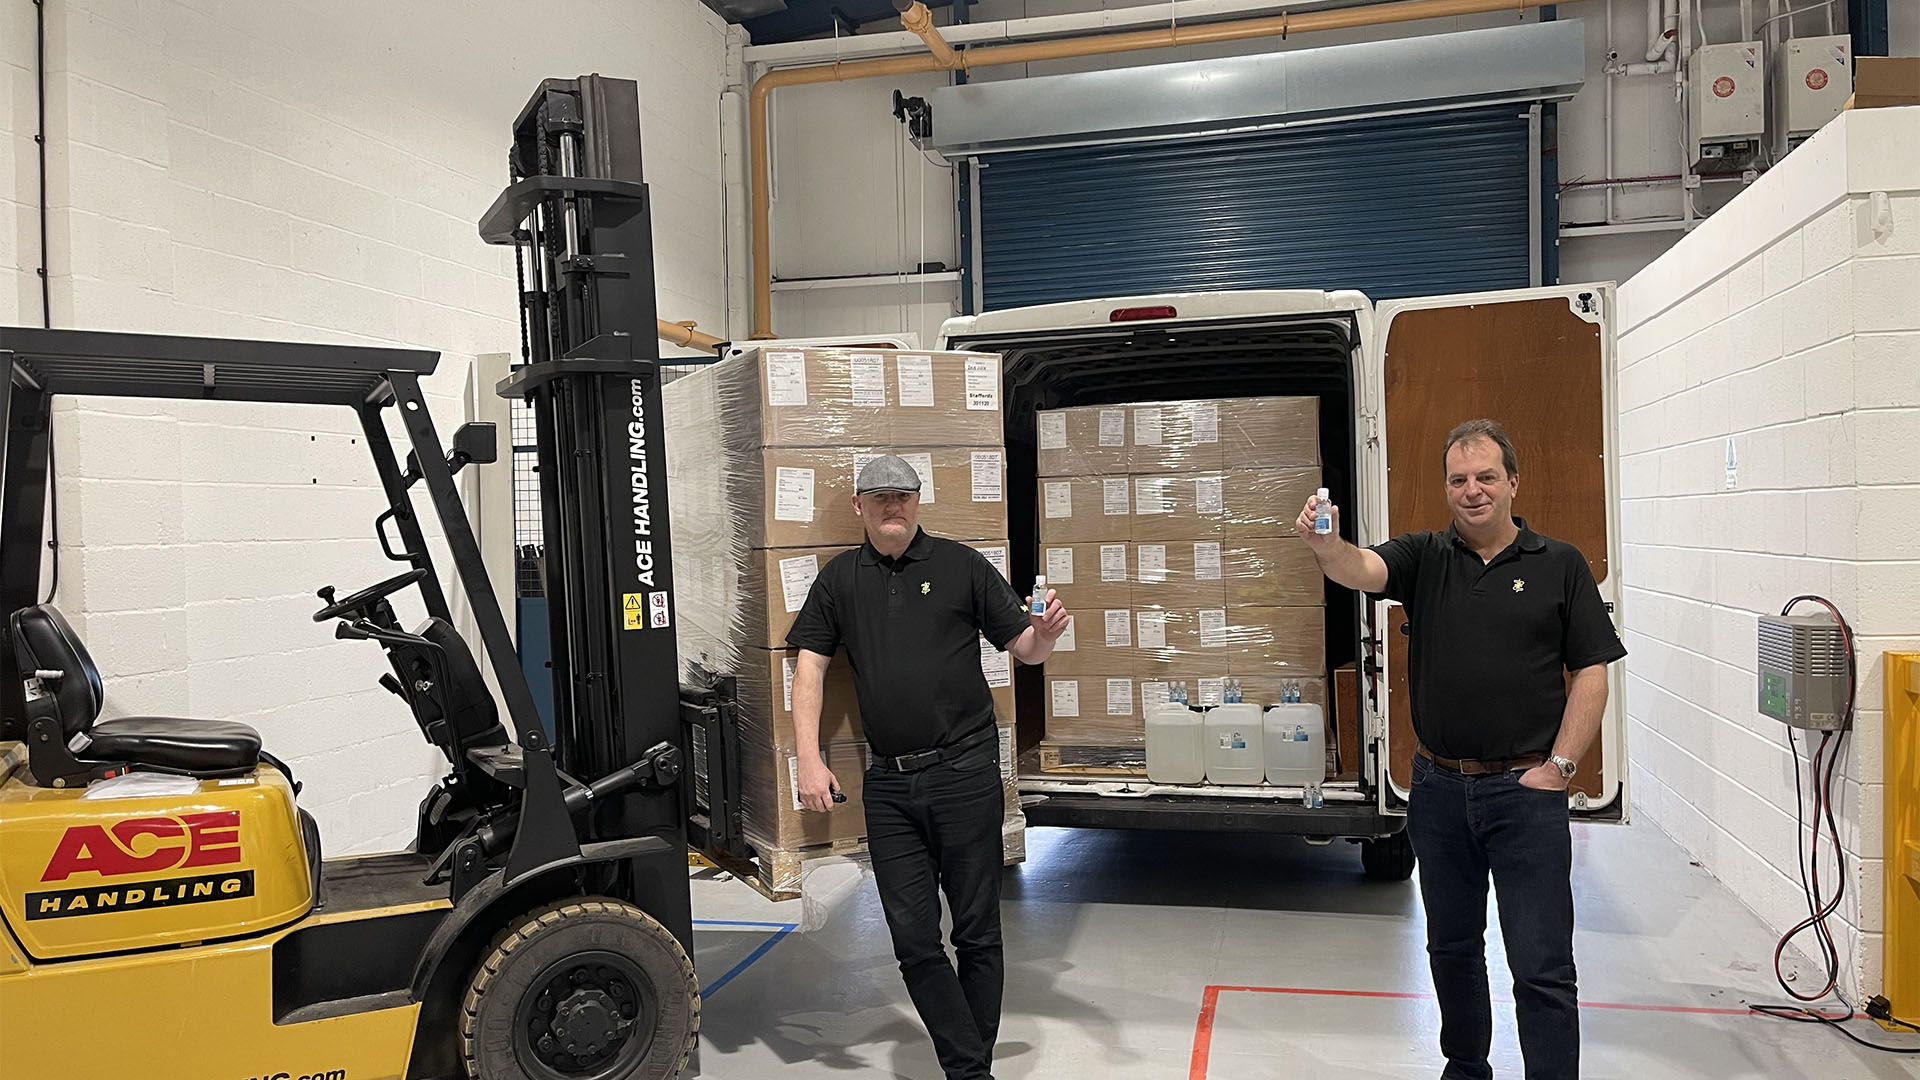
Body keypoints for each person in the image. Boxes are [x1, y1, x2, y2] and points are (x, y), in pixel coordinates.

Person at [1296, 419, 1624, 1080]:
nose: (1472, 491)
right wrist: (1326, 544)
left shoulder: (1559, 564)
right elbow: (1360, 568)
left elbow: (1592, 670)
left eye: (1485, 478)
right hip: (1439, 790)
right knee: (1451, 948)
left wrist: (1560, 767)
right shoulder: (1426, 556)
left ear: (1513, 483)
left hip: (1524, 794)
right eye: (1458, 480)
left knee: (1541, 966)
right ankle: (1466, 1069)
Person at [786, 453, 1069, 1080]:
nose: (894, 506)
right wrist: (808, 757)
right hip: (888, 785)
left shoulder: (961, 566)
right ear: (858, 505)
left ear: (918, 501)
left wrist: (1045, 634)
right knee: (913, 940)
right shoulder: (838, 580)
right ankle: (973, 1069)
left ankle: (968, 1073)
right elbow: (810, 666)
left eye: (904, 495)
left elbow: (1023, 647)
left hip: (965, 772)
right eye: (880, 496)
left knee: (976, 932)